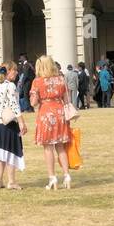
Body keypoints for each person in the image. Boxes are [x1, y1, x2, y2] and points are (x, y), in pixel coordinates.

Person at [30, 54, 73, 190]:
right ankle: (66, 175)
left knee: (48, 148)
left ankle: (52, 178)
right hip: (60, 113)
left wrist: (35, 95)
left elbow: (33, 103)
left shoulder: (37, 82)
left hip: (46, 114)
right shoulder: (61, 80)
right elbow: (67, 100)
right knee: (60, 147)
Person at [0, 64, 28, 189]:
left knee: (0, 153)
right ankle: (11, 181)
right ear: (9, 71)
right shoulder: (10, 85)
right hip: (8, 123)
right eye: (14, 70)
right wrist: (21, 122)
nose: (16, 73)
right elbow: (15, 105)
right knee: (11, 152)